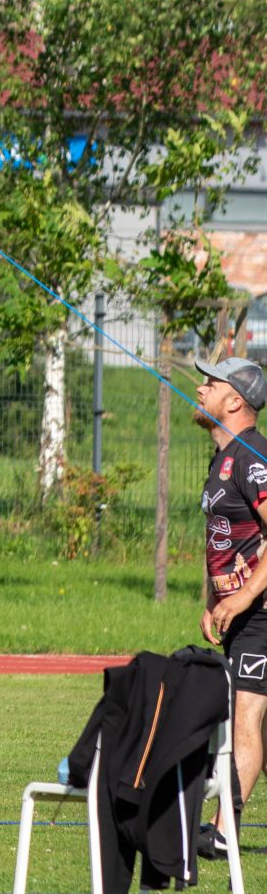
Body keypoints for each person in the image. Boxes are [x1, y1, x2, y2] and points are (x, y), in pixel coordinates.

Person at [194, 355, 267, 860]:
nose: (200, 389)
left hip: (261, 613)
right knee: (252, 720)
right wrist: (214, 601)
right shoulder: (223, 458)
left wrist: (242, 597)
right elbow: (226, 541)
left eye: (211, 383)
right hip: (240, 613)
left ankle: (223, 831)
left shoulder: (252, 458)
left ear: (235, 400)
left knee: (246, 715)